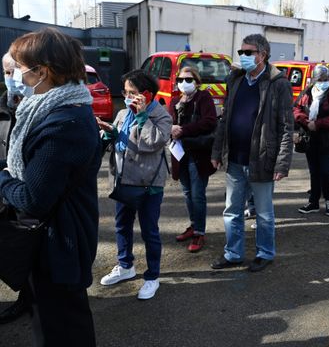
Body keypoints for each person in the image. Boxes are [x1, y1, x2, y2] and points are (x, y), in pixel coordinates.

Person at [0, 28, 103, 345]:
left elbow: (32, 199)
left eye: (17, 67)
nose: (14, 75)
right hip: (50, 239)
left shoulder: (63, 123)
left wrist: (2, 177)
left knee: (62, 329)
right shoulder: (50, 108)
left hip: (59, 245)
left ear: (42, 71)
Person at [210, 34, 293, 273]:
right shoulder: (236, 81)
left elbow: (287, 126)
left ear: (262, 55)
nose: (243, 57)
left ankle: (265, 253)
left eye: (248, 52)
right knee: (232, 211)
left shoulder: (278, 83)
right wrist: (217, 151)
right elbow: (225, 119)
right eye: (241, 53)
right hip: (235, 159)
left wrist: (281, 163)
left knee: (264, 214)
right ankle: (233, 254)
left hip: (262, 160)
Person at [97, 70, 172, 300]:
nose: (128, 97)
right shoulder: (121, 113)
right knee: (122, 225)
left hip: (148, 184)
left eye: (134, 93)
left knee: (150, 231)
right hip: (124, 180)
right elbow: (123, 138)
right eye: (126, 92)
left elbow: (153, 142)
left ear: (147, 94)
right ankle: (125, 265)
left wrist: (142, 117)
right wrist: (111, 133)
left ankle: (152, 277)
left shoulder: (161, 115)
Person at [169, 66, 217, 252]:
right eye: (180, 80)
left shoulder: (203, 97)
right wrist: (171, 128)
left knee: (198, 194)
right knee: (188, 193)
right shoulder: (175, 100)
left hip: (198, 153)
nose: (184, 83)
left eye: (188, 80)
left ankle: (199, 232)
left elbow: (210, 121)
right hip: (180, 153)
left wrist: (183, 130)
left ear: (197, 82)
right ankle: (193, 224)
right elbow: (168, 122)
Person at [293, 65, 329, 216]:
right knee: (314, 171)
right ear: (314, 79)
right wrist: (306, 121)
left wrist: (318, 124)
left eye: (325, 79)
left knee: (327, 171)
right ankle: (314, 201)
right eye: (319, 79)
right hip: (311, 139)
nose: (322, 82)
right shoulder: (307, 92)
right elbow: (296, 108)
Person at [0, 52, 30, 325]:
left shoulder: (36, 108)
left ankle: (28, 297)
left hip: (24, 193)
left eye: (14, 72)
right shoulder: (2, 108)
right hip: (3, 192)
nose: (10, 79)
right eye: (5, 73)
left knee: (26, 249)